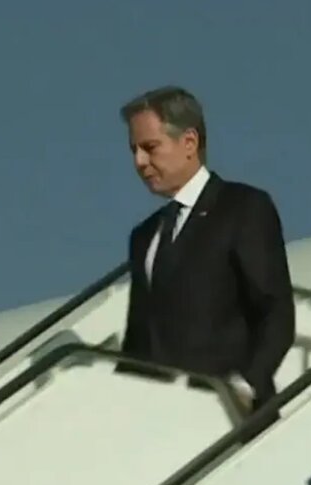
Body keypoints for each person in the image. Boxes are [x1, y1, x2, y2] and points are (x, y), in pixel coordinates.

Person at [117, 85, 295, 413]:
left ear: (189, 142)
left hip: (231, 413)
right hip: (157, 417)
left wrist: (246, 384)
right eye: (133, 151)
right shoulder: (144, 236)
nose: (139, 162)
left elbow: (275, 310)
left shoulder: (243, 207)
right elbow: (138, 340)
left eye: (150, 147)